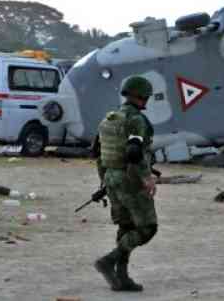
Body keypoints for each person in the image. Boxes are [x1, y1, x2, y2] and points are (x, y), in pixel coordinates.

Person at [93, 76, 158, 292]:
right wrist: (147, 177)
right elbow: (133, 152)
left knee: (126, 226)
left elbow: (99, 153)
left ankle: (122, 277)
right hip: (130, 179)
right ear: (141, 96)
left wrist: (103, 181)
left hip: (111, 177)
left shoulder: (110, 119)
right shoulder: (136, 119)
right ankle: (108, 261)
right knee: (148, 227)